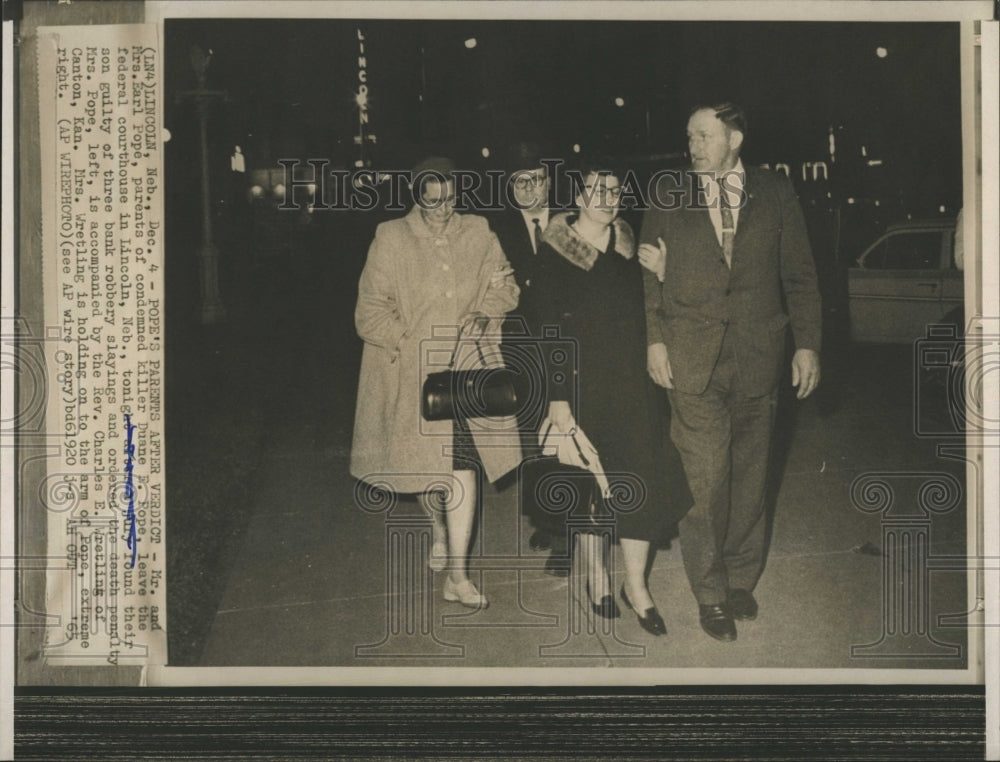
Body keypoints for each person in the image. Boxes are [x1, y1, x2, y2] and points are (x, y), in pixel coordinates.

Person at [639, 102, 822, 641]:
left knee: (750, 475)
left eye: (703, 136)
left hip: (758, 354)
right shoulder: (668, 190)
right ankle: (711, 591)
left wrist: (807, 346)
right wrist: (654, 339)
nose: (692, 146)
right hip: (691, 355)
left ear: (734, 139)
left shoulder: (776, 191)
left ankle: (741, 577)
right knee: (705, 480)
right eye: (689, 136)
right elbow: (648, 271)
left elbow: (800, 276)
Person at [350, 156, 522, 609]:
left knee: (463, 466)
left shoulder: (479, 231)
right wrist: (410, 343)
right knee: (429, 470)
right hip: (415, 376)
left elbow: (506, 286)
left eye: (450, 199)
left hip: (467, 370)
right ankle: (438, 529)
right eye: (433, 203)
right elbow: (369, 313)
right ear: (416, 199)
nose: (444, 210)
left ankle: (458, 577)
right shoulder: (391, 238)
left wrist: (485, 311)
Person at [534, 157, 691, 634]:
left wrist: (664, 273)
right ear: (578, 196)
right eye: (596, 190)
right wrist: (557, 396)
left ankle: (636, 586)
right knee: (588, 485)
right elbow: (547, 331)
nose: (607, 199)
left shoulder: (631, 247)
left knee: (639, 480)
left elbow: (661, 309)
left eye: (615, 190)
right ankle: (598, 577)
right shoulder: (554, 252)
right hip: (581, 388)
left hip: (634, 387)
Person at [488, 142, 569, 576]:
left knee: (565, 435)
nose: (527, 189)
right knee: (533, 438)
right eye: (518, 182)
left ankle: (566, 535)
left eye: (535, 180)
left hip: (567, 345)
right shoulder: (497, 230)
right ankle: (547, 518)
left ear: (548, 181)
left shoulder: (569, 221)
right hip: (520, 347)